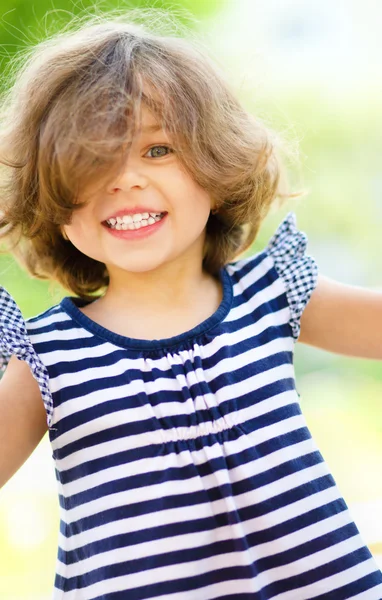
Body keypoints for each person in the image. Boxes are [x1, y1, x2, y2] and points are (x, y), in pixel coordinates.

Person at [0, 12, 381, 600]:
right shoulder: (47, 356)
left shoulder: (272, 293)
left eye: (157, 149)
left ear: (215, 164)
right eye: (92, 160)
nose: (123, 179)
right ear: (51, 201)